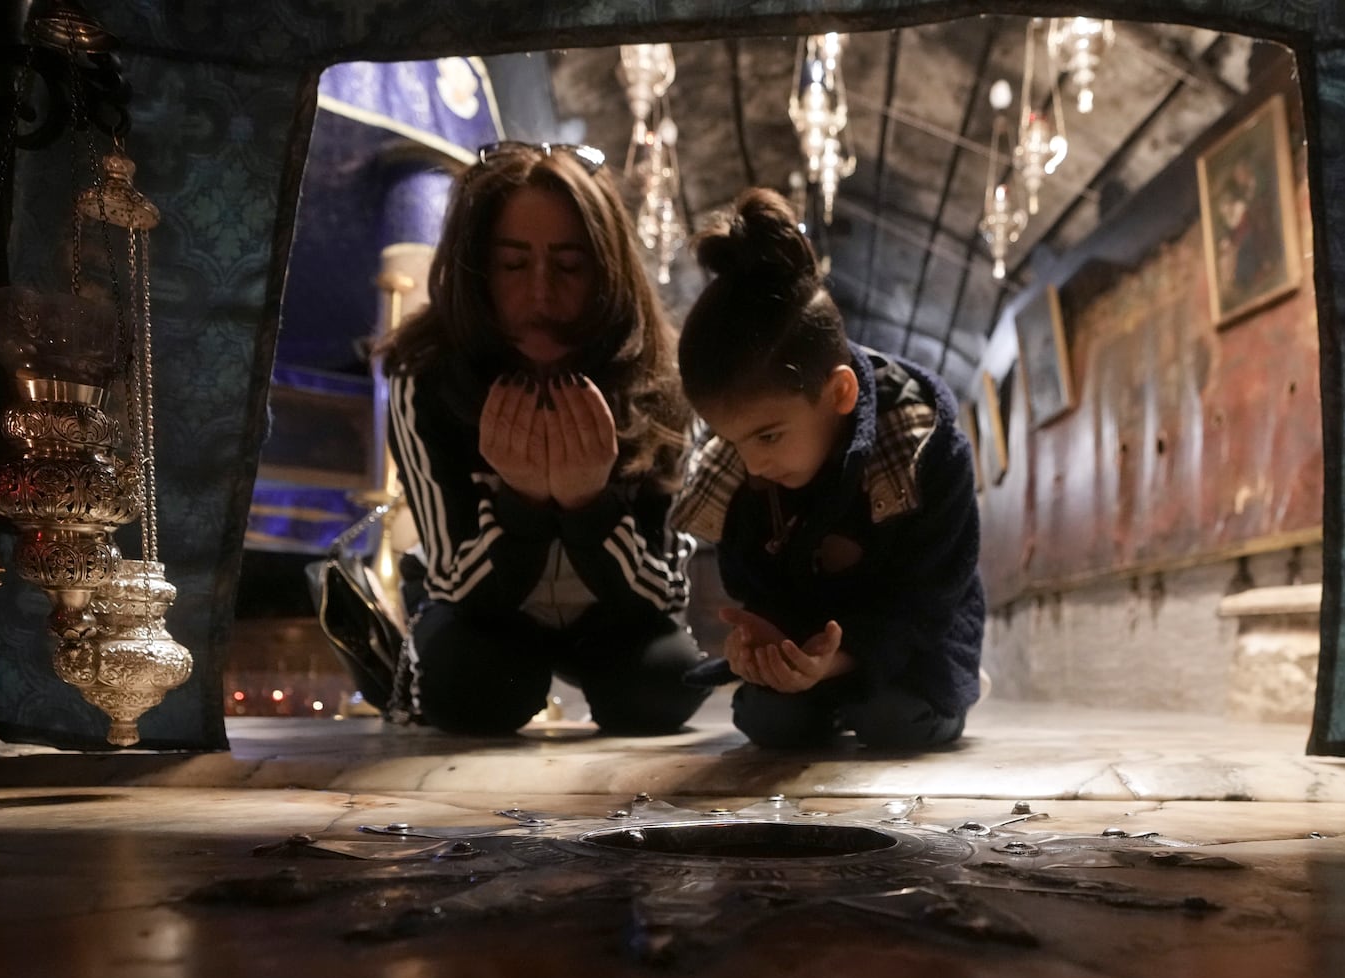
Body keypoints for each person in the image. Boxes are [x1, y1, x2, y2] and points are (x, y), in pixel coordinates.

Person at [381, 141, 709, 736]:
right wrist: (525, 502)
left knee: (663, 687)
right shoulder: (428, 379)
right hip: (487, 619)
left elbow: (663, 588)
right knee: (471, 689)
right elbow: (455, 579)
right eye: (512, 265)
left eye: (569, 265)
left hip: (613, 616)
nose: (540, 294)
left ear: (607, 269)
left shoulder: (660, 382)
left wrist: (588, 504)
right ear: (477, 267)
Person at [671, 188, 985, 749]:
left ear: (840, 391)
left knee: (894, 721)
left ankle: (950, 689)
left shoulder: (926, 448)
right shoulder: (740, 465)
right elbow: (754, 585)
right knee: (770, 724)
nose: (753, 464)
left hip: (915, 639)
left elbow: (932, 598)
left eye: (768, 436)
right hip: (808, 644)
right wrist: (763, 643)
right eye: (732, 440)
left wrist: (839, 660)